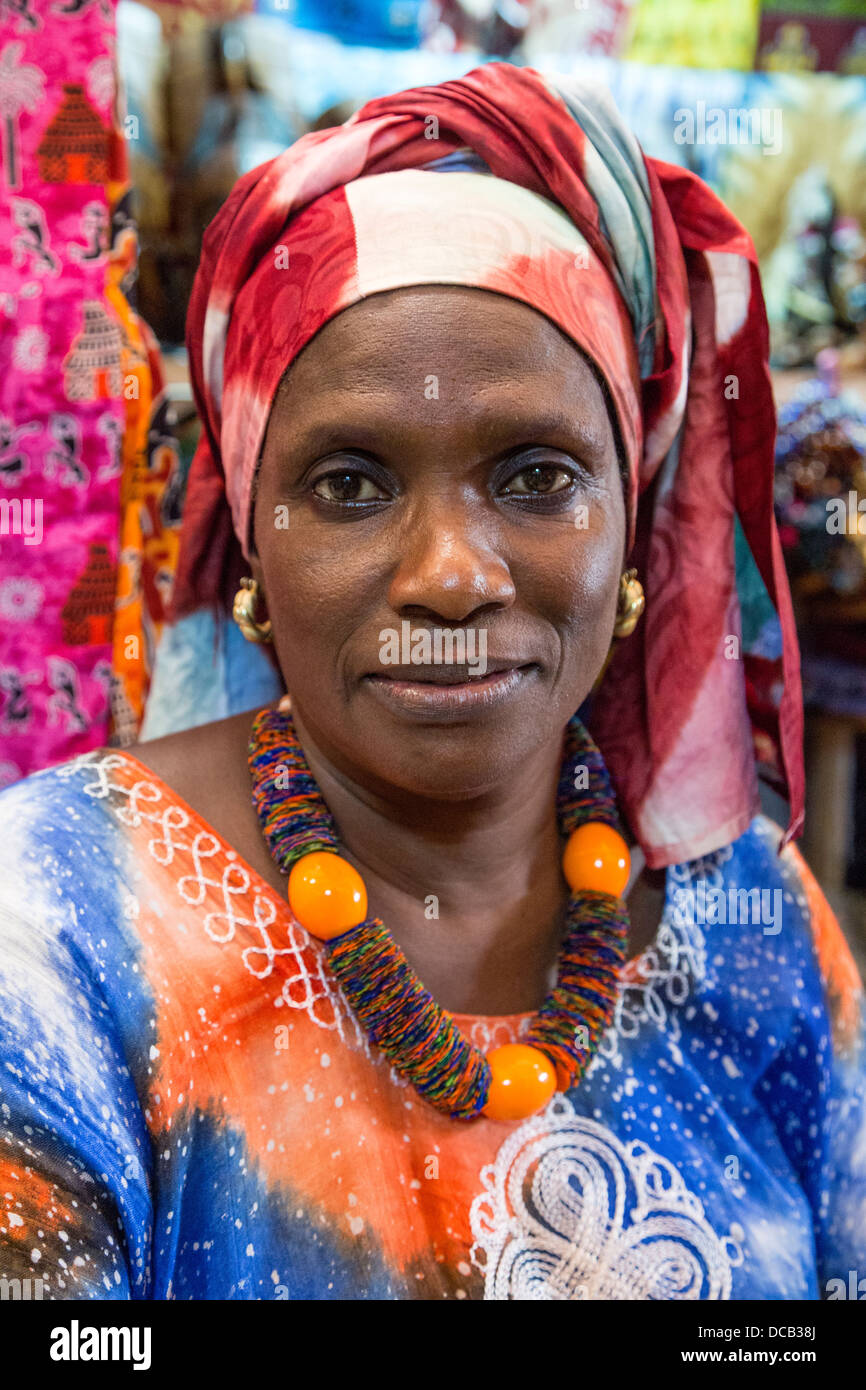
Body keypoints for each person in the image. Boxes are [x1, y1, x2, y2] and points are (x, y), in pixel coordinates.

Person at [0, 62, 863, 1302]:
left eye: (535, 476)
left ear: (632, 524)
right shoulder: (60, 939)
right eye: (349, 483)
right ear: (250, 535)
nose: (452, 578)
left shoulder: (750, 920)